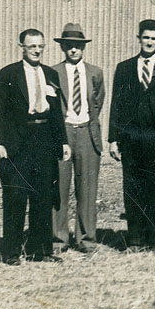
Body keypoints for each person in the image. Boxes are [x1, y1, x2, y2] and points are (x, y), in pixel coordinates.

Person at [0, 28, 70, 264]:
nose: (36, 50)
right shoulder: (8, 74)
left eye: (40, 46)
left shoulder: (51, 74)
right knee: (15, 196)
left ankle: (40, 251)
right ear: (21, 46)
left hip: (44, 140)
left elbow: (56, 113)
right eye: (31, 46)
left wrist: (62, 141)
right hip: (17, 142)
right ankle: (11, 252)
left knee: (43, 196)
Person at [108, 19, 155, 251]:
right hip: (131, 140)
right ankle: (134, 240)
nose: (149, 42)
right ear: (138, 38)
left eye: (153, 38)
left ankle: (153, 240)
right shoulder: (124, 68)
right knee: (133, 190)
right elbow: (116, 105)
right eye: (145, 37)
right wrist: (113, 138)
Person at [51, 23, 105, 253]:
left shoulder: (95, 72)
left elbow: (98, 102)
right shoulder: (53, 72)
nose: (73, 50)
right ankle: (58, 240)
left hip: (86, 133)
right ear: (63, 47)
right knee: (59, 190)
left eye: (78, 46)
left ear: (84, 48)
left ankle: (86, 239)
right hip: (62, 134)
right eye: (69, 46)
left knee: (87, 189)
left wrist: (87, 124)